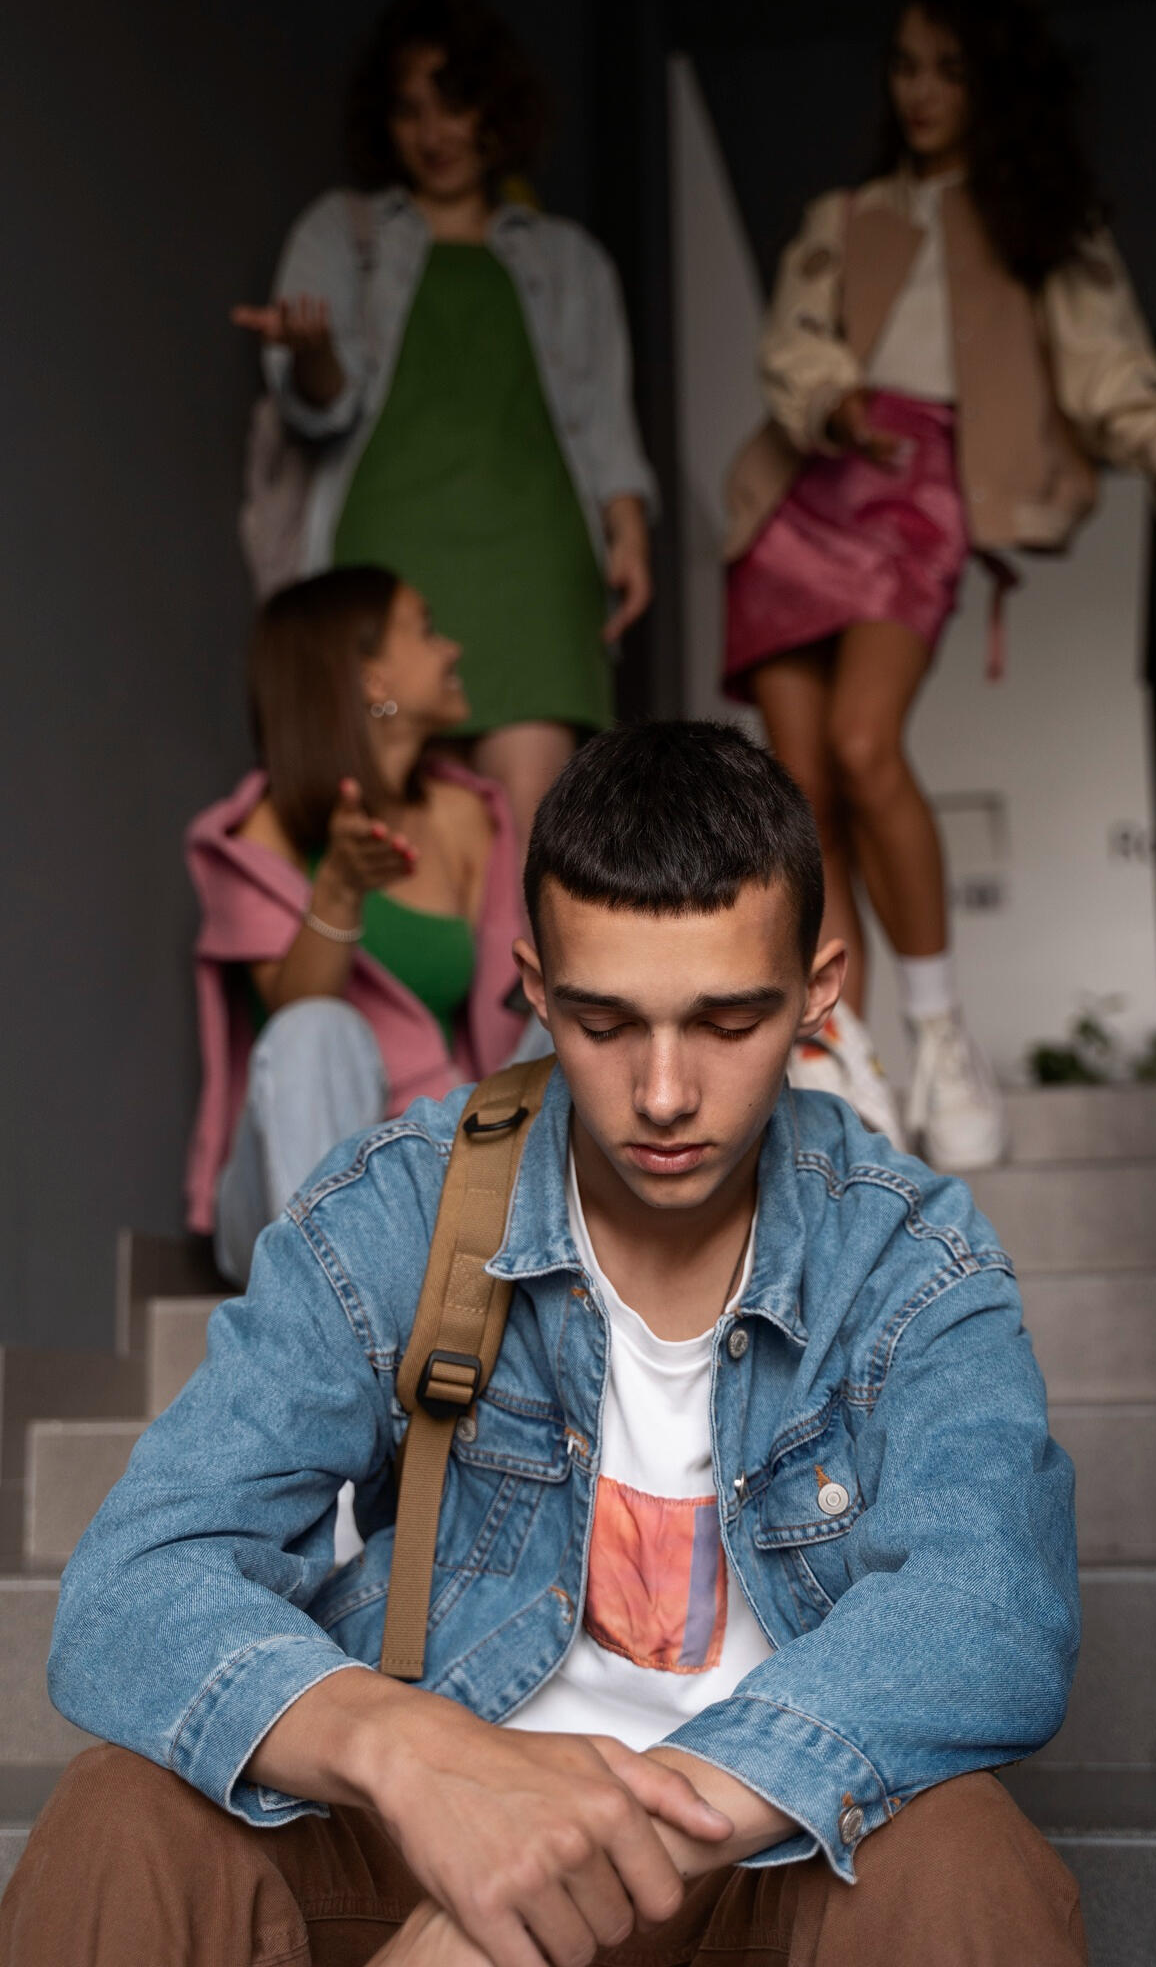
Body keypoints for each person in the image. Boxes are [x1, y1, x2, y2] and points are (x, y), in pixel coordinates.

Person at [5, 721, 1084, 1966]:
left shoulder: (907, 1256)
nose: (665, 1091)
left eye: (727, 1021)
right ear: (532, 986)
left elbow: (993, 1605)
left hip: (753, 1859)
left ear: (819, 991)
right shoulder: (400, 1208)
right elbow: (131, 1585)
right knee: (124, 1815)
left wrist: (612, 1846)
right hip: (432, 1829)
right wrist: (409, 1754)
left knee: (963, 1864)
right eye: (605, 1020)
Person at [724, 0, 1156, 1172]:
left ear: (995, 83)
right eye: (905, 65)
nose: (921, 91)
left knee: (862, 741)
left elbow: (1106, 365)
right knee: (801, 791)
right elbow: (791, 345)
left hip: (925, 492)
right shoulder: (843, 217)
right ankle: (836, 1040)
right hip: (805, 488)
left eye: (949, 68)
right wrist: (831, 395)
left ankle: (943, 1030)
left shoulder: (1040, 227)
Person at [233, 0, 656, 855]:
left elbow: (601, 415)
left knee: (536, 818)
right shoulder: (343, 234)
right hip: (385, 568)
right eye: (409, 109)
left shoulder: (568, 260)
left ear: (496, 109)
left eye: (454, 103)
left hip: (532, 574)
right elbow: (318, 410)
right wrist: (310, 353)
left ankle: (530, 998)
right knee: (386, 806)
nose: (434, 132)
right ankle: (395, 999)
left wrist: (627, 529)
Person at [186, 565, 524, 1285]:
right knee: (315, 1030)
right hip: (294, 1181)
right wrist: (337, 887)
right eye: (426, 629)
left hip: (442, 1164)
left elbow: (503, 1019)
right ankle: (330, 1330)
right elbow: (292, 1012)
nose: (452, 648)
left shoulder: (467, 820)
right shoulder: (265, 832)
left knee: (584, 1008)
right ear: (372, 680)